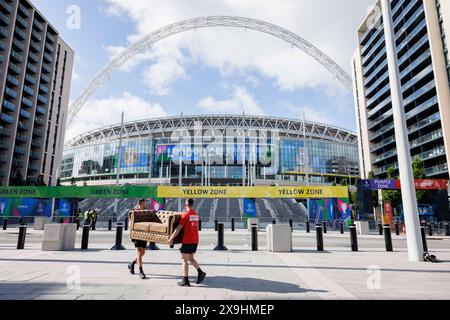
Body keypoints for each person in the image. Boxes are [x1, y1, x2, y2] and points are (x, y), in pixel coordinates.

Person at [169, 198, 206, 287]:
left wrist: (171, 238)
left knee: (184, 259)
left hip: (188, 240)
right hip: (195, 240)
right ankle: (200, 272)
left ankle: (185, 280)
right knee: (190, 258)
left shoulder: (185, 215)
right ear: (192, 205)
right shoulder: (195, 214)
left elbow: (178, 228)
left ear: (186, 205)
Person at [128, 199, 148, 280]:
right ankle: (141, 271)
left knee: (143, 253)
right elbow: (130, 223)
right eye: (144, 203)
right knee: (139, 252)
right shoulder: (134, 212)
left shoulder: (146, 212)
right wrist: (131, 234)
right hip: (137, 234)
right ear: (140, 204)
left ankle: (132, 263)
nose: (145, 204)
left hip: (144, 235)